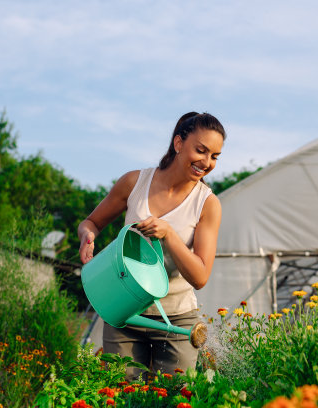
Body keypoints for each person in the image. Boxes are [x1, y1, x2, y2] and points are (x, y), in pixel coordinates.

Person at [77, 112, 225, 378]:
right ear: (178, 143)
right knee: (121, 396)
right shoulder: (135, 183)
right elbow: (91, 223)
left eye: (214, 156)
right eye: (201, 151)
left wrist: (169, 234)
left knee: (173, 399)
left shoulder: (207, 204)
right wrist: (87, 237)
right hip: (124, 312)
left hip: (178, 320)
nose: (206, 162)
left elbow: (200, 276)